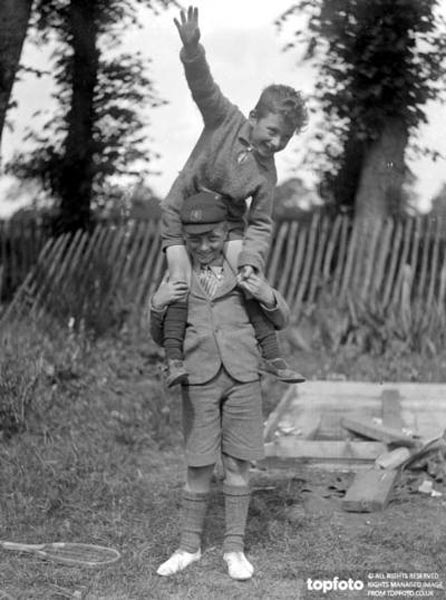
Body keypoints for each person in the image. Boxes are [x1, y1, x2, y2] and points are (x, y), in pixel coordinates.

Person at [160, 6, 308, 388]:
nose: (275, 143)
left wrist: (252, 261)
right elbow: (203, 86)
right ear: (255, 116)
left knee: (246, 280)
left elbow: (260, 222)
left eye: (285, 139)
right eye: (272, 131)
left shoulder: (266, 173)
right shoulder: (224, 119)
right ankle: (174, 360)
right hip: (182, 213)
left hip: (226, 225)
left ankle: (273, 357)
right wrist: (193, 49)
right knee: (178, 280)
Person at [150, 192, 291, 580]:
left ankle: (235, 549)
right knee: (198, 464)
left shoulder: (243, 271)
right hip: (197, 381)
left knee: (237, 463)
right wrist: (157, 304)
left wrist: (267, 295)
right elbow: (161, 336)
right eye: (194, 240)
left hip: (243, 377)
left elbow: (280, 319)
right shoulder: (177, 276)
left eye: (213, 238)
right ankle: (188, 547)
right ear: (184, 240)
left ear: (226, 233)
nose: (205, 247)